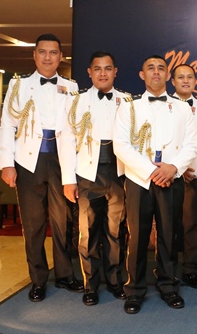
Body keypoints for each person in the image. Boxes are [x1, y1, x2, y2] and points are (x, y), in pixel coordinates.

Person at [0, 33, 83, 302]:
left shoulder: (71, 87)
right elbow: (7, 125)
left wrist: (73, 173)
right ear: (34, 55)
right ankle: (38, 280)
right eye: (43, 52)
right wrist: (7, 164)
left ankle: (65, 274)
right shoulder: (19, 85)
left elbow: (74, 130)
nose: (48, 57)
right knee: (33, 224)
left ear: (61, 57)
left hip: (61, 161)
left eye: (53, 52)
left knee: (63, 221)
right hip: (28, 161)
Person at [113, 55, 197, 314]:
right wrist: (151, 171)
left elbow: (192, 144)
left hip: (171, 179)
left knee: (169, 235)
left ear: (167, 75)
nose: (156, 72)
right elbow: (121, 145)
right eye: (150, 68)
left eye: (161, 68)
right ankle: (134, 290)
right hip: (139, 180)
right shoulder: (128, 107)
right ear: (142, 75)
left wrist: (173, 168)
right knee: (137, 237)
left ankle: (168, 285)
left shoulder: (183, 108)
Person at [58, 51, 128, 306]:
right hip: (88, 174)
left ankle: (115, 281)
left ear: (115, 72)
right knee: (88, 233)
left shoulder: (127, 101)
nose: (102, 73)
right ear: (89, 72)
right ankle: (91, 285)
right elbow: (66, 140)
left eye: (107, 68)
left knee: (115, 231)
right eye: (97, 68)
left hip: (119, 174)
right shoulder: (75, 101)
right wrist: (68, 179)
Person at [171, 64, 197, 289]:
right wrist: (176, 168)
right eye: (181, 77)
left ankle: (190, 270)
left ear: (196, 82)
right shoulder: (164, 105)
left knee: (191, 225)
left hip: (191, 175)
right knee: (168, 225)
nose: (185, 81)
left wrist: (193, 170)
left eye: (190, 77)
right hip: (168, 175)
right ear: (173, 81)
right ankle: (166, 270)